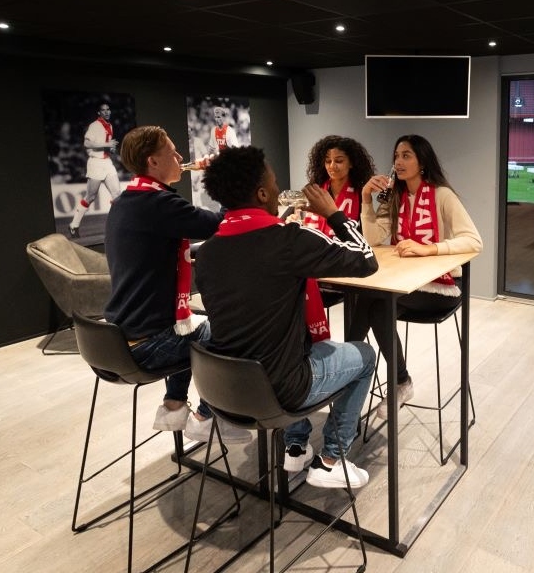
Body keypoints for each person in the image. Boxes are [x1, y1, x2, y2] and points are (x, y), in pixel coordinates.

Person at [195, 146, 379, 488]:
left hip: (224, 390)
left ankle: (298, 444)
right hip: (280, 392)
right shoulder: (288, 240)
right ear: (263, 193)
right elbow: (366, 259)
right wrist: (335, 214)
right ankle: (331, 459)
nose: (279, 190)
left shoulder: (206, 252)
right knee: (365, 356)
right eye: (274, 182)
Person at [103, 125, 249, 444]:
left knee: (191, 322)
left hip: (115, 339)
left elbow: (154, 248)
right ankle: (207, 417)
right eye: (172, 151)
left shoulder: (129, 200)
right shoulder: (158, 204)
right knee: (229, 328)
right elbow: (220, 223)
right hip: (146, 346)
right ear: (153, 161)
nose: (181, 157)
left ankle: (173, 406)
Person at [355, 134, 483, 419]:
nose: (398, 162)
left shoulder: (442, 195)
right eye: (396, 156)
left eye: (406, 155)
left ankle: (362, 378)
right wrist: (366, 199)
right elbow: (374, 239)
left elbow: (474, 241)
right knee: (371, 304)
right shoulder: (394, 196)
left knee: (374, 303)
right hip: (407, 282)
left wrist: (429, 249)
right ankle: (393, 380)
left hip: (444, 287)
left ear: (422, 162)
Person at [300, 135, 376, 236]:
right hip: (314, 248)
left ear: (351, 163)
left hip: (346, 250)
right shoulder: (314, 189)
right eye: (328, 161)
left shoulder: (361, 193)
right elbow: (301, 218)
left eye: (339, 161)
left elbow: (367, 232)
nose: (332, 166)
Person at [68, 102, 121, 238]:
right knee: (90, 197)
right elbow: (87, 143)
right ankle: (74, 225)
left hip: (107, 162)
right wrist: (106, 144)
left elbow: (106, 146)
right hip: (96, 163)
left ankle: (116, 226)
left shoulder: (109, 125)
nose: (107, 112)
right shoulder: (94, 125)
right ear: (99, 113)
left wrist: (111, 149)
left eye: (108, 109)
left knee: (117, 196)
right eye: (103, 110)